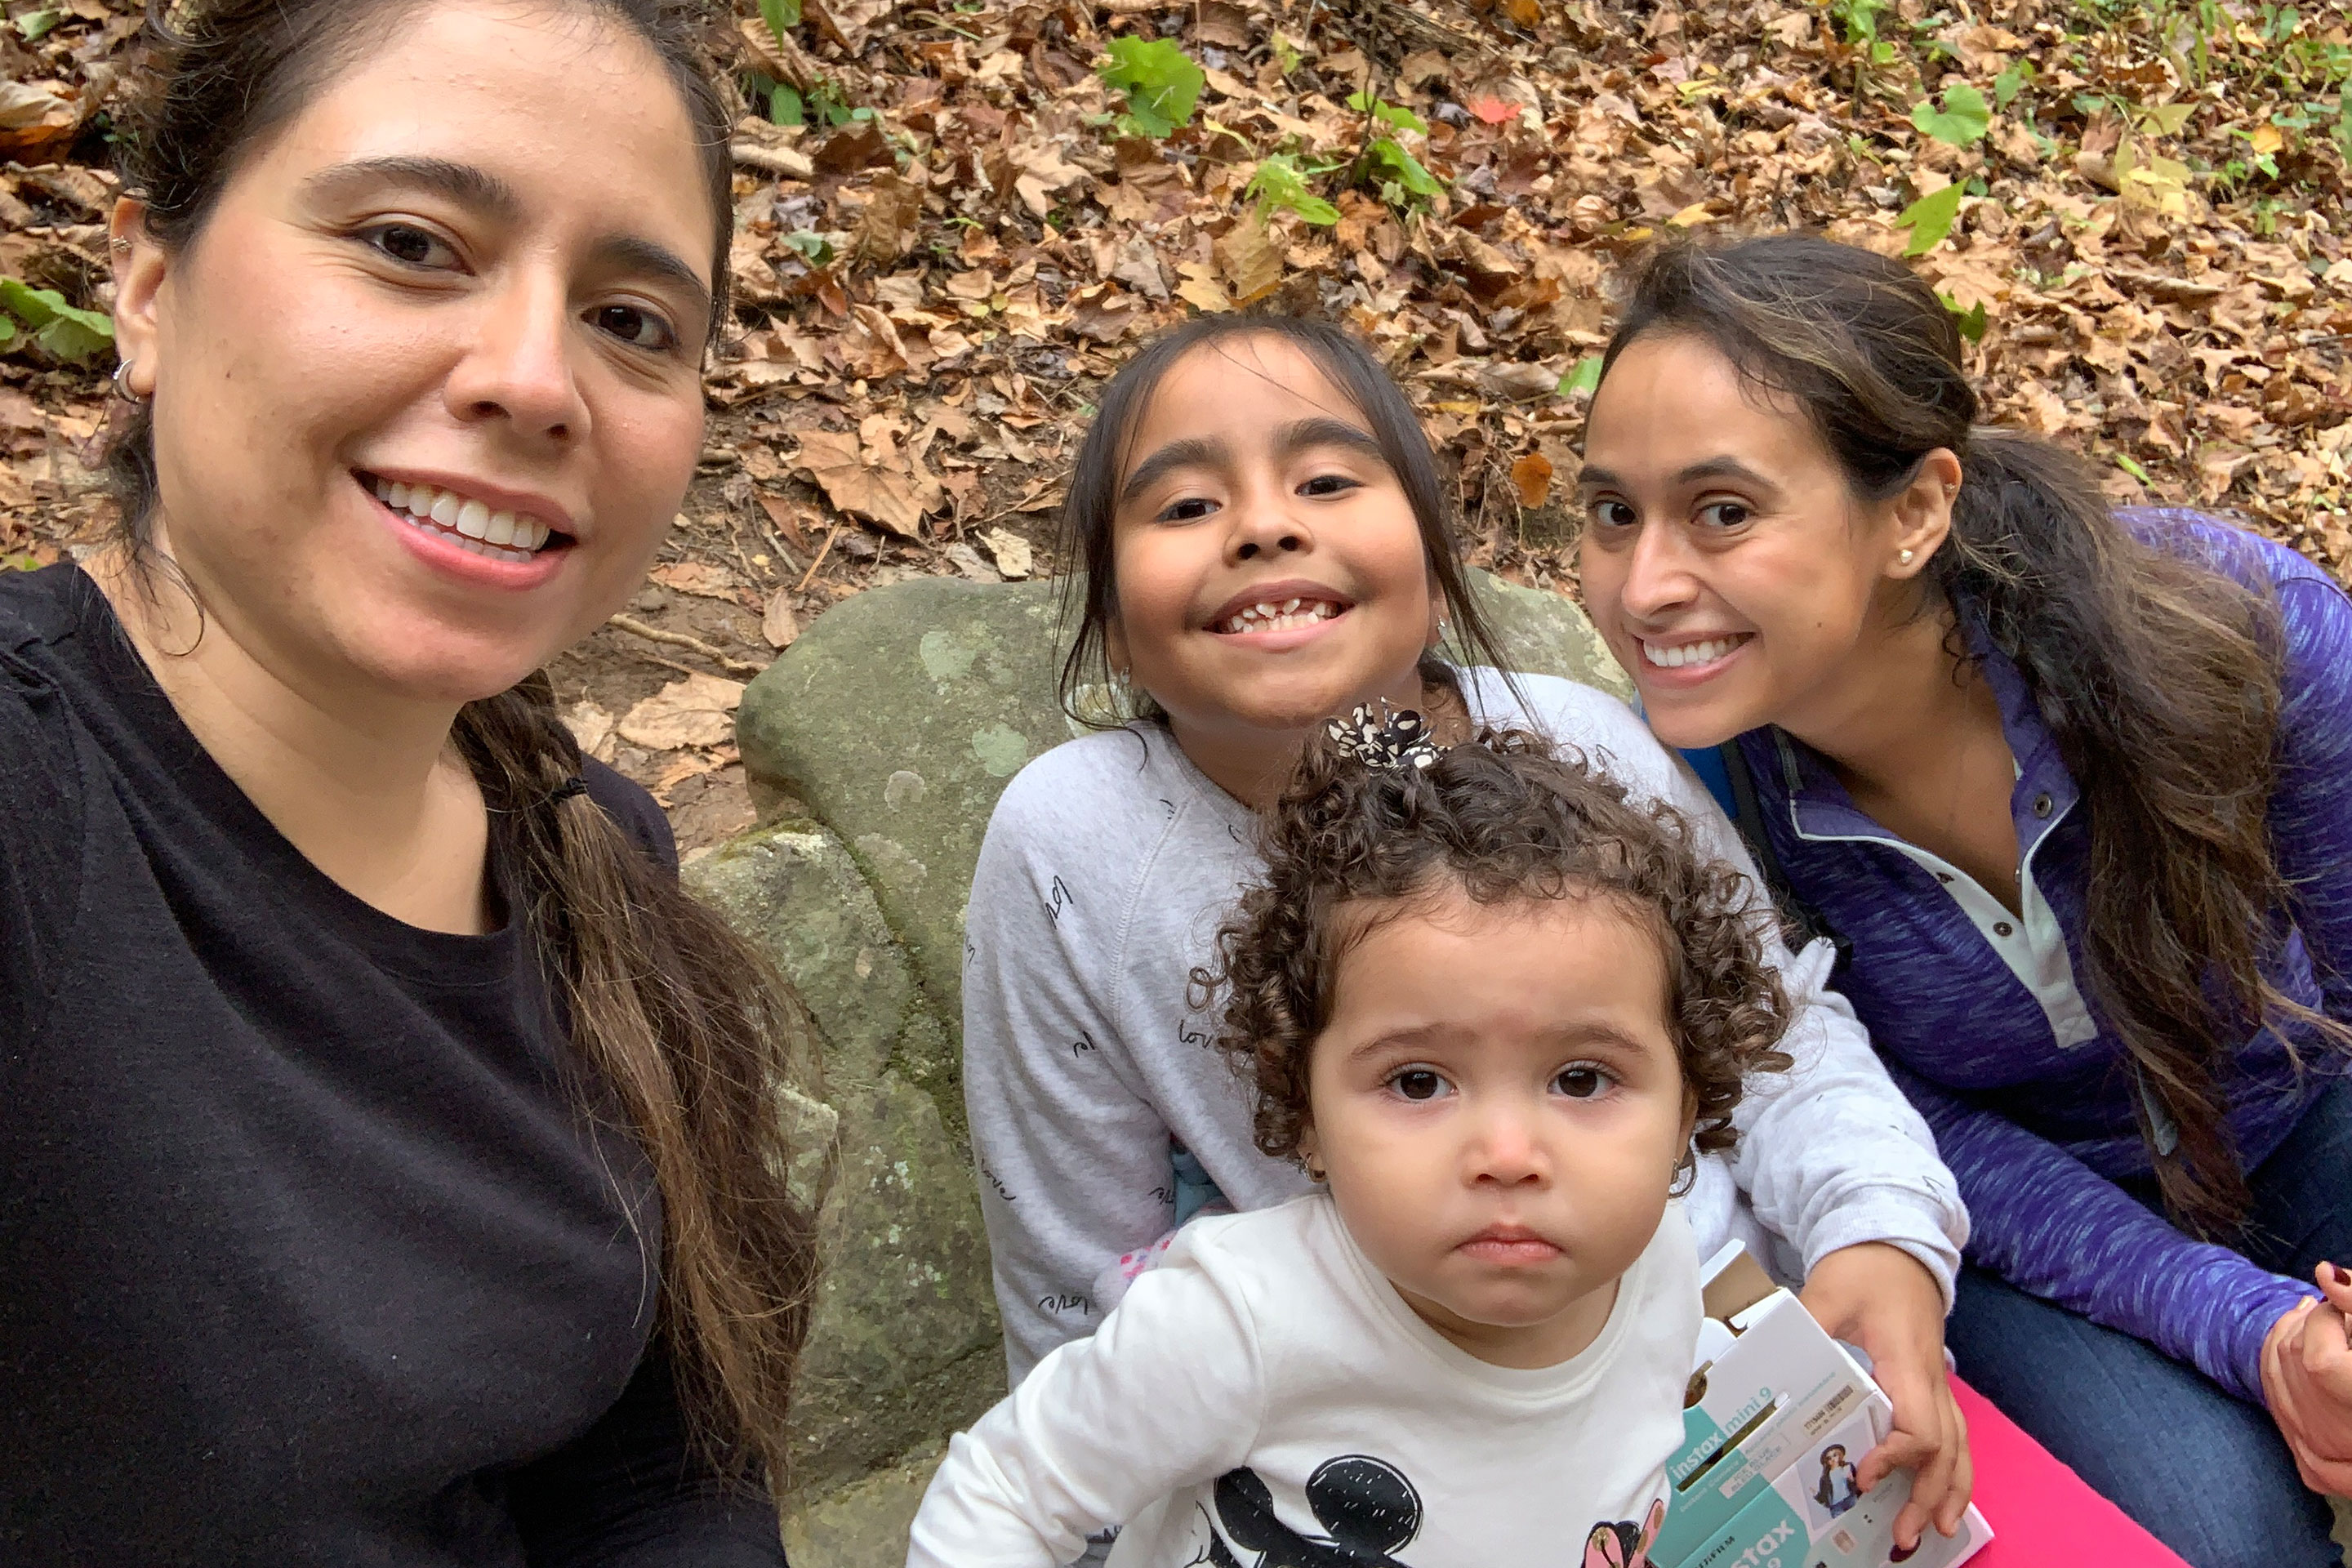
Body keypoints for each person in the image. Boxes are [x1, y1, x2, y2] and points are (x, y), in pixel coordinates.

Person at [0, 0, 818, 1561]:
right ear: (148, 288)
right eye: (409, 242)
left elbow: (657, 1465)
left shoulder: (598, 857)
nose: (536, 381)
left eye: (634, 322)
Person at [960, 314, 1977, 1551]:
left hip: (1739, 1368)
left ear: (1439, 569)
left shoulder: (1575, 747)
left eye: (1328, 481)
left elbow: (1772, 1031)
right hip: (1393, 1441)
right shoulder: (1078, 841)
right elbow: (1079, 1282)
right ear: (1113, 619)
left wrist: (1879, 1233)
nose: (1266, 525)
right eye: (1181, 508)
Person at [1574, 230, 2352, 1568]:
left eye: (1723, 511)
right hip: (2028, 1217)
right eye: (1610, 512)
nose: (1643, 587)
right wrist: (2255, 1330)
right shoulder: (1700, 803)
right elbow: (1897, 1110)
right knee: (2221, 1537)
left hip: (2308, 1104)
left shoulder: (2235, 625)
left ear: (1917, 510)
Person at [910, 714, 1793, 1565]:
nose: (1509, 1154)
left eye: (1582, 1079)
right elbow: (1001, 1495)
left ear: (1688, 1106)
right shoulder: (1239, 1320)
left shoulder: (1667, 1275)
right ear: (1305, 1112)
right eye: (1418, 1082)